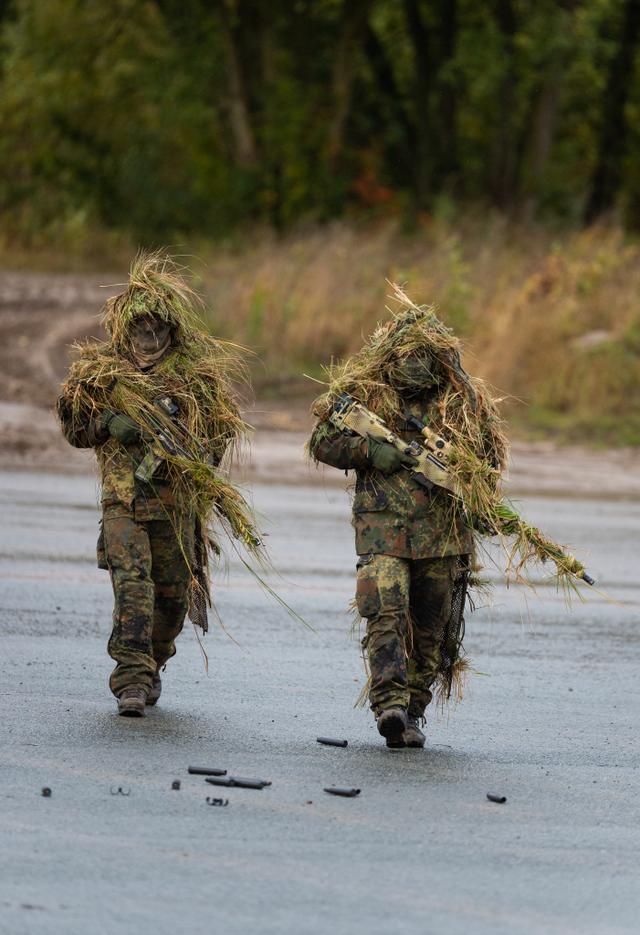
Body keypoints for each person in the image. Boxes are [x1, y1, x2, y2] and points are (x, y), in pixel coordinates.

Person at [308, 295, 506, 748]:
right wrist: (367, 451)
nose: (414, 366)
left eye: (424, 357)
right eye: (407, 357)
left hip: (443, 537)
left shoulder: (462, 406)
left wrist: (473, 487)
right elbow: (321, 440)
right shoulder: (367, 395)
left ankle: (413, 710)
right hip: (383, 532)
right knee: (385, 614)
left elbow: (488, 465)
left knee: (432, 630)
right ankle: (390, 705)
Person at [57, 253, 248, 716]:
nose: (149, 334)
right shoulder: (102, 373)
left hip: (176, 505)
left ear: (171, 328)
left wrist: (192, 455)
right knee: (133, 587)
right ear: (126, 326)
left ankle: (153, 662)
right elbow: (73, 426)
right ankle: (132, 681)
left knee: (172, 596)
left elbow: (220, 432)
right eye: (140, 325)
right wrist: (108, 423)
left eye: (157, 325)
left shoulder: (194, 379)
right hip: (123, 502)